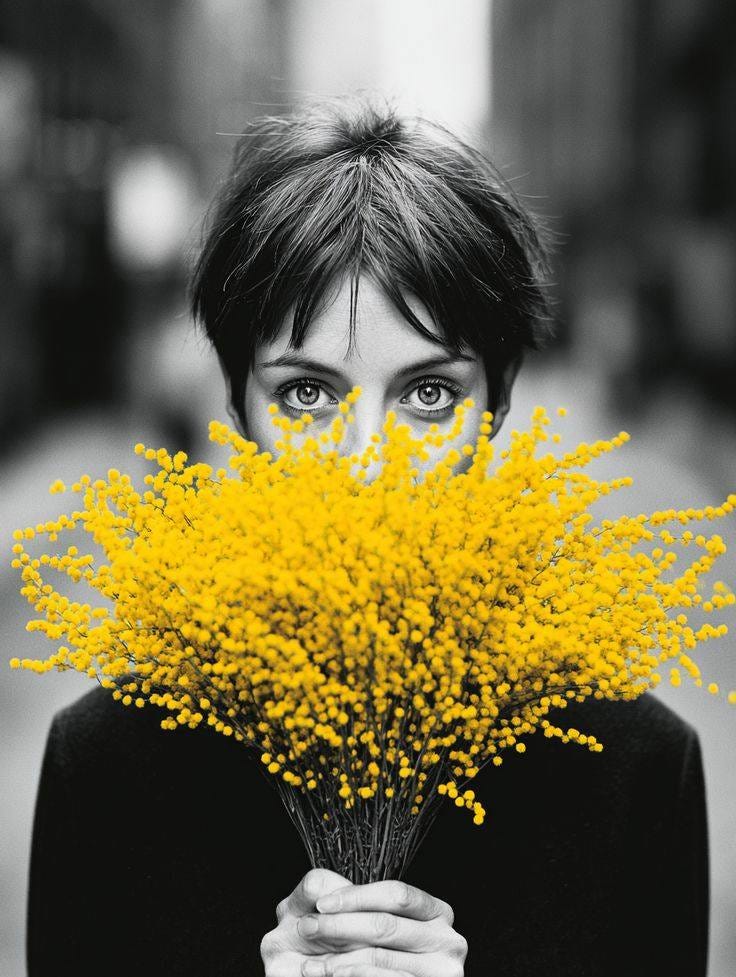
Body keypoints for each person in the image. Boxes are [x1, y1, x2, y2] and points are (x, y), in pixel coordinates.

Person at [26, 94, 708, 977]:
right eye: (307, 394)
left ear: (498, 406)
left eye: (429, 394)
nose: (368, 463)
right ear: (235, 408)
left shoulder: (636, 770)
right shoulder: (107, 768)